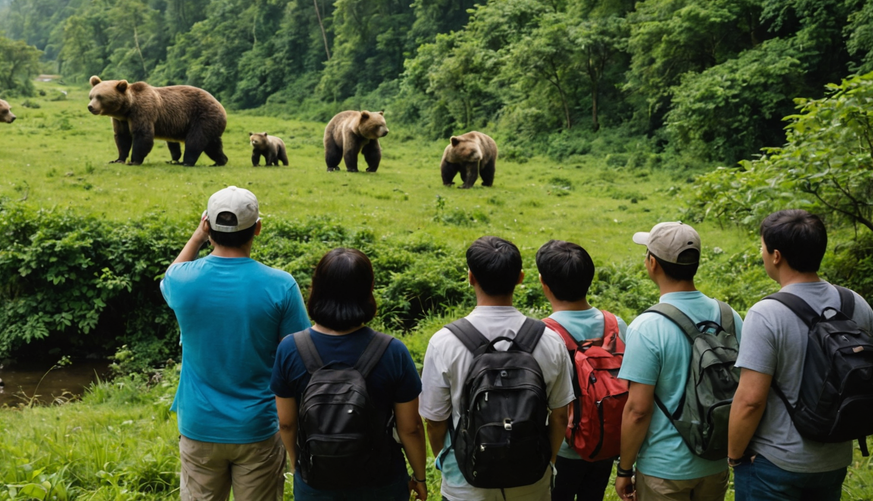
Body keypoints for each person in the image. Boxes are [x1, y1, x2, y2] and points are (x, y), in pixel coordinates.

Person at [727, 210, 873, 500]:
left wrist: (734, 455)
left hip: (774, 463)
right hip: (833, 459)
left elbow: (750, 400)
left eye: (762, 247)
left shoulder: (766, 313)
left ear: (776, 256)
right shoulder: (853, 302)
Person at [161, 186, 311, 501]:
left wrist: (198, 238)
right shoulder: (281, 285)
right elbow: (299, 357)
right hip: (258, 425)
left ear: (207, 225)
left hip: (199, 425)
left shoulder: (182, 281)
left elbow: (169, 275)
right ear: (257, 227)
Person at [420, 236, 574, 501]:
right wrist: (545, 462)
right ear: (520, 278)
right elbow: (560, 417)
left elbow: (434, 422)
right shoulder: (548, 339)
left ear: (470, 277)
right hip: (532, 483)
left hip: (466, 484)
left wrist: (448, 461)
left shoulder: (444, 342)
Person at [271, 248, 429, 501]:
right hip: (381, 483)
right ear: (368, 291)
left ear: (316, 290)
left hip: (317, 483)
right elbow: (410, 428)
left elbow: (287, 423)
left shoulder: (290, 349)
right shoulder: (392, 351)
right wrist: (419, 477)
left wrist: (298, 465)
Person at [615, 222, 742, 501]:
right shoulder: (729, 316)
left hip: (664, 469)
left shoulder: (647, 326)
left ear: (652, 263)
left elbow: (638, 410)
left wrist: (624, 470)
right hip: (715, 459)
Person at [537, 240, 629, 501]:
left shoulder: (543, 334)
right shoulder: (616, 324)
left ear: (544, 283)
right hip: (606, 440)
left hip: (562, 448)